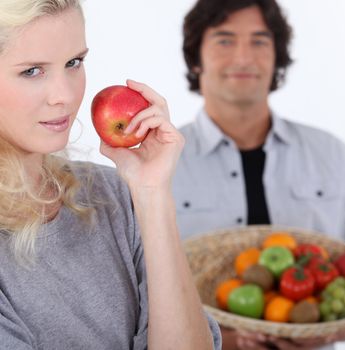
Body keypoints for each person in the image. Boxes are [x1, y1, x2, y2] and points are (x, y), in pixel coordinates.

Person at [0, 0, 221, 349]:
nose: (66, 96)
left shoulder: (113, 192)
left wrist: (152, 194)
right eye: (32, 71)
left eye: (74, 63)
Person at [172, 0, 345, 349]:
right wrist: (221, 340)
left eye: (259, 41)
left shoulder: (332, 156)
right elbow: (137, 291)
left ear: (277, 56)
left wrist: (324, 331)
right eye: (224, 40)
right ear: (196, 58)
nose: (243, 57)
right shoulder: (161, 163)